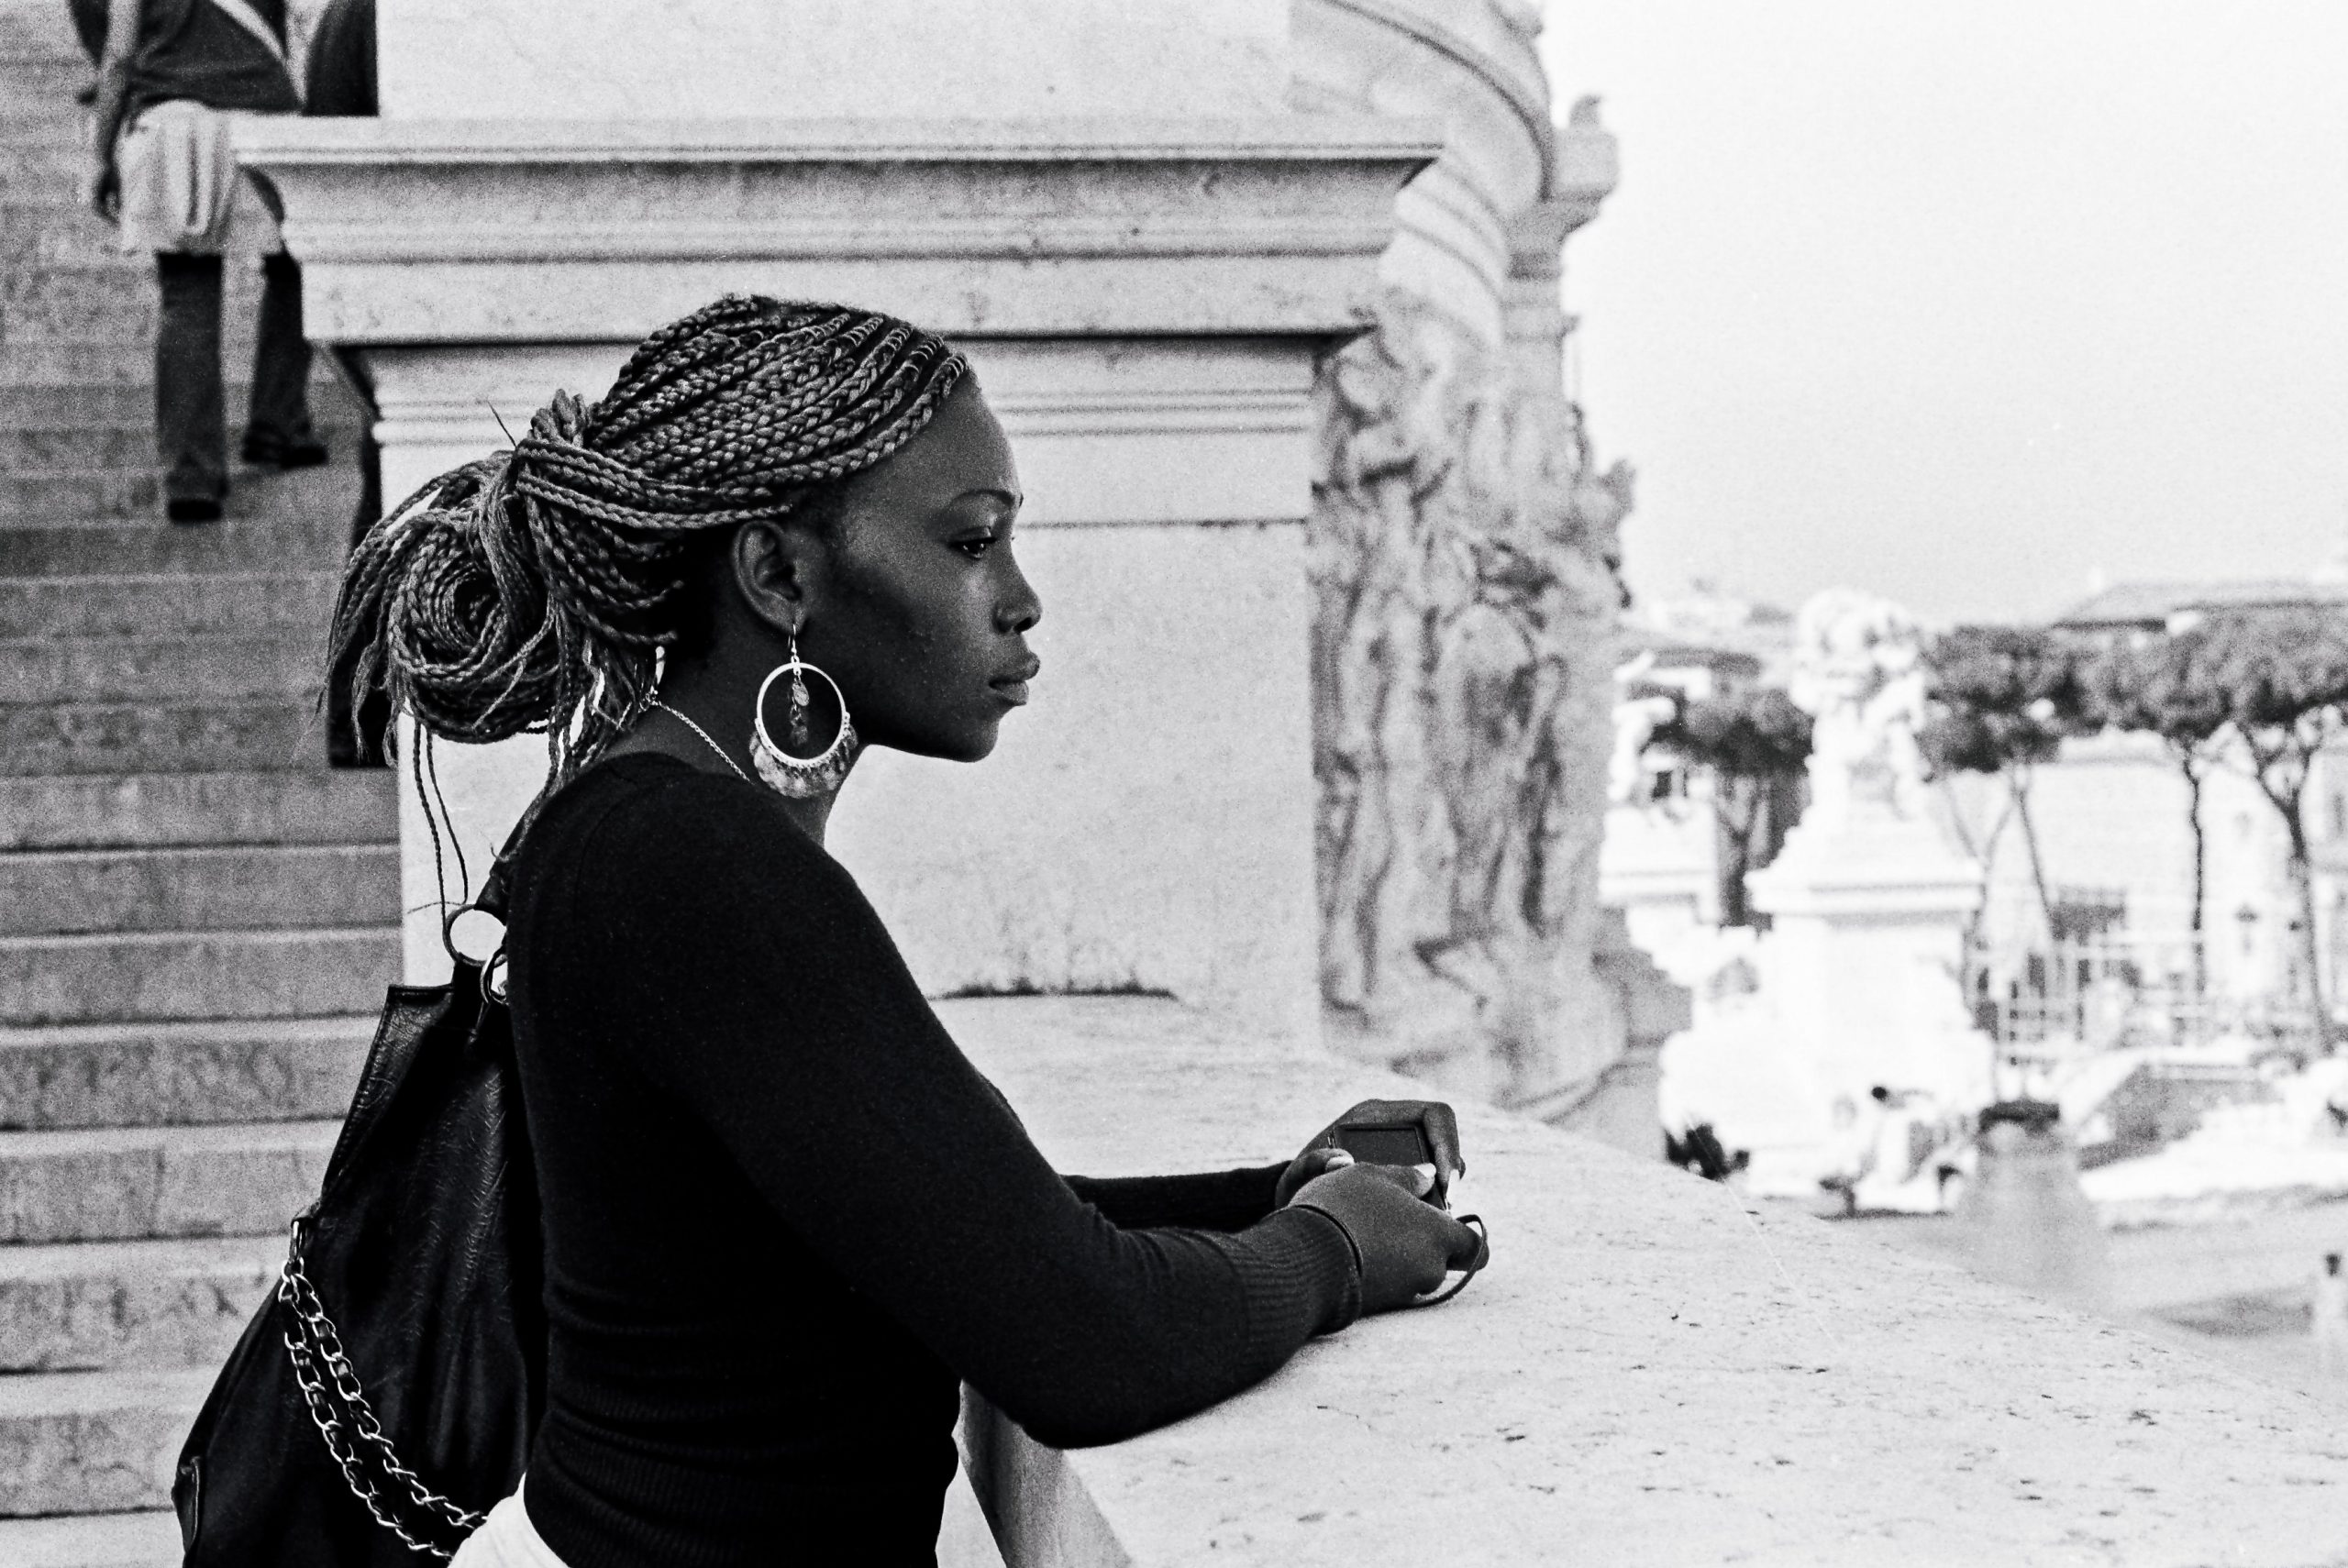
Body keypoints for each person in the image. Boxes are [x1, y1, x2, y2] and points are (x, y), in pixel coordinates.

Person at [328, 296, 1489, 1568]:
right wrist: (1334, 1250)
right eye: (972, 543)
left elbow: (949, 1223)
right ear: (779, 573)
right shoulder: (694, 861)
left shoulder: (644, 823)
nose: (1022, 601)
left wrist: (1277, 1185)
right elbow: (1081, 1341)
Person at [83, 0, 324, 525]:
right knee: (291, 266)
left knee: (187, 294)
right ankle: (278, 422)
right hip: (265, 119)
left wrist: (100, 154)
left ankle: (192, 477)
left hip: (175, 123)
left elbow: (120, 55)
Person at [2317, 1253, 2348, 1379]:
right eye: (2331, 1263)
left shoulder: (2343, 1281)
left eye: (2336, 1263)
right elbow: (2316, 1300)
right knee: (2325, 1347)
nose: (2333, 1266)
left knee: (2345, 1346)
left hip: (2340, 1318)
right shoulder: (2321, 1280)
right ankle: (2326, 1375)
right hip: (2324, 1319)